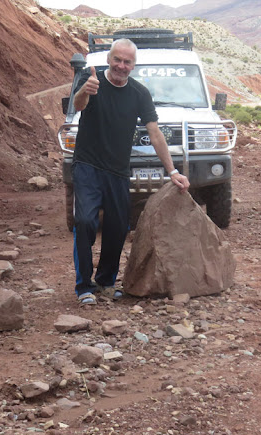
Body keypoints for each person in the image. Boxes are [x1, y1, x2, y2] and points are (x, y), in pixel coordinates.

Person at [71, 38, 190, 305]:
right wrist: (85, 92)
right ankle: (83, 286)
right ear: (108, 60)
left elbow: (155, 132)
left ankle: (105, 282)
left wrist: (172, 171)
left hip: (118, 171)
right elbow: (77, 106)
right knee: (85, 221)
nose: (121, 66)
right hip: (88, 165)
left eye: (127, 62)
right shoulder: (90, 81)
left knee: (117, 227)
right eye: (117, 60)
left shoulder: (139, 93)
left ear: (133, 65)